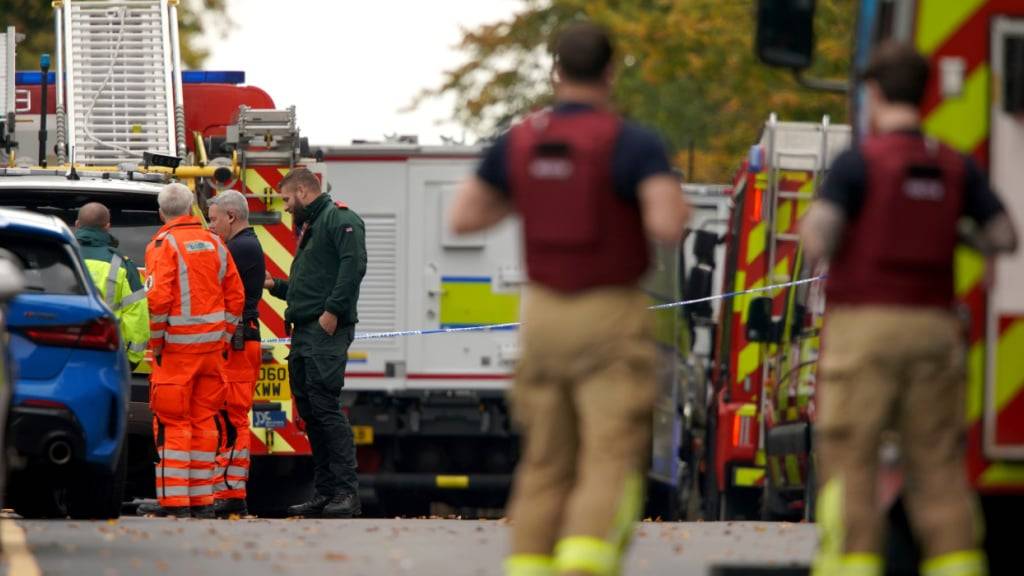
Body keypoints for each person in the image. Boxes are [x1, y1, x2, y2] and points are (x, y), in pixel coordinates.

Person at [449, 22, 689, 576]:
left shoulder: (521, 141)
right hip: (610, 310)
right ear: (610, 71)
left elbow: (463, 217)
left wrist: (533, 196)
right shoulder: (632, 142)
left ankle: (530, 564)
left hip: (543, 314)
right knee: (607, 451)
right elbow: (665, 223)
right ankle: (584, 559)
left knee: (546, 455)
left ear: (555, 71)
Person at [801, 42, 1018, 576]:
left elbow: (818, 238)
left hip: (865, 329)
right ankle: (957, 563)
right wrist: (953, 234)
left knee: (852, 457)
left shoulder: (858, 164)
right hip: (933, 329)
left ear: (873, 92)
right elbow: (1004, 235)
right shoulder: (953, 165)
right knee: (938, 463)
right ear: (922, 93)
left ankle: (853, 563)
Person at [138, 183, 245, 519]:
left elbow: (158, 301)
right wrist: (223, 336)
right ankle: (202, 499)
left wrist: (156, 345)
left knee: (172, 424)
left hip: (176, 355)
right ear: (190, 210)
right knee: (204, 422)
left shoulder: (162, 244)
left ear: (161, 212)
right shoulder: (215, 243)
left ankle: (175, 502)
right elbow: (236, 296)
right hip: (211, 353)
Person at [264, 168, 367, 518]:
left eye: (288, 199)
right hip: (305, 330)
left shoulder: (340, 220)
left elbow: (353, 269)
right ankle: (324, 493)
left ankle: (346, 494)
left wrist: (334, 311)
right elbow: (311, 285)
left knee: (325, 408)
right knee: (310, 412)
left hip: (325, 330)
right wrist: (275, 286)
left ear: (305, 192)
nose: (287, 207)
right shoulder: (312, 225)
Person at [207, 190, 266, 518]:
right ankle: (227, 489)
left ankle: (231, 492)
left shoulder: (239, 247)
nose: (212, 227)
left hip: (240, 344)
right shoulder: (242, 245)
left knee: (232, 417)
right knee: (226, 416)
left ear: (231, 216)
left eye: (214, 219)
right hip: (239, 341)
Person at [74, 202, 149, 368]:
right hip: (108, 356)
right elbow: (137, 315)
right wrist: (131, 359)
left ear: (77, 225)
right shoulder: (121, 264)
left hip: (60, 352)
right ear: (107, 227)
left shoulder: (57, 257)